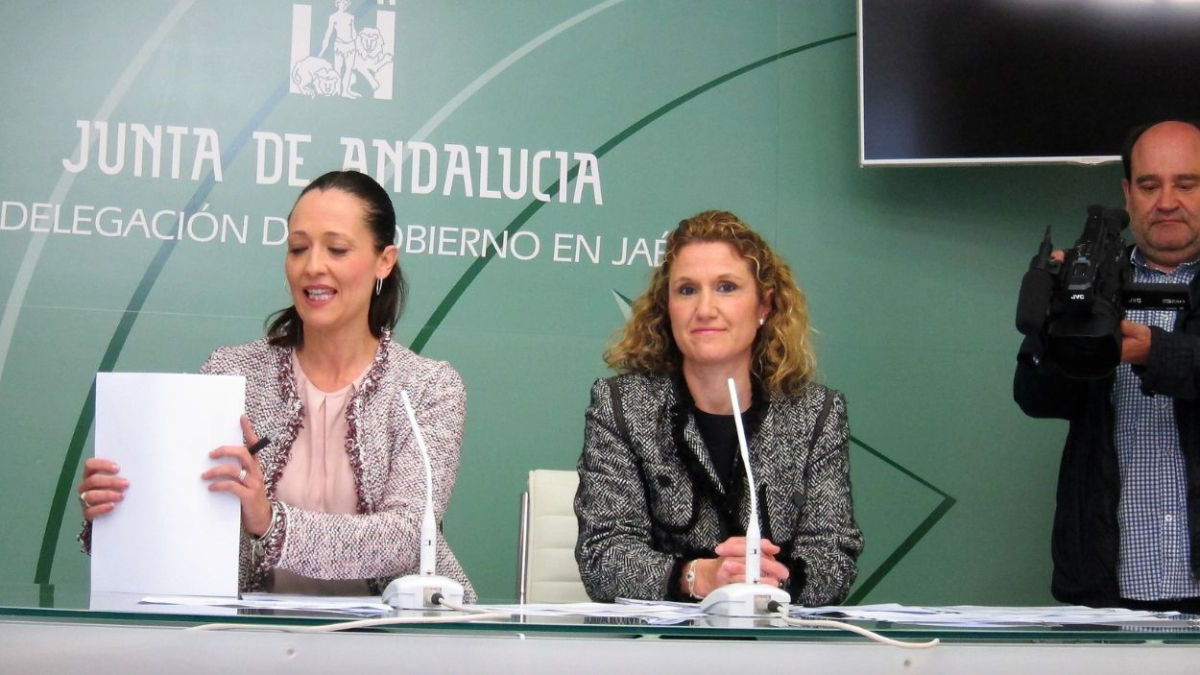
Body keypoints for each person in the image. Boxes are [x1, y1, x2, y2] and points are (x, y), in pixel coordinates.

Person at [76, 170, 475, 599]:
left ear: (385, 260)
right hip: (250, 632)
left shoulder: (428, 387)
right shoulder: (231, 372)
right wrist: (119, 514)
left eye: (337, 249)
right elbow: (186, 520)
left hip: (396, 634)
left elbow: (409, 536)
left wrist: (270, 523)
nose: (312, 266)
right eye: (298, 248)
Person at [574, 210, 863, 605]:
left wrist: (774, 580)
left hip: (775, 636)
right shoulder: (622, 405)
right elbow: (604, 557)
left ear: (764, 305)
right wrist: (700, 576)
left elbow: (834, 556)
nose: (705, 309)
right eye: (687, 290)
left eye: (726, 287)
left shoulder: (816, 412)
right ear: (667, 307)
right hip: (662, 640)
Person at [1015, 120, 1200, 611]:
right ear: (1127, 193)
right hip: (1105, 585)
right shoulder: (1093, 279)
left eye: (1186, 184)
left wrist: (1156, 353)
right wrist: (1060, 322)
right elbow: (1035, 398)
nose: (1166, 201)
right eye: (1149, 185)